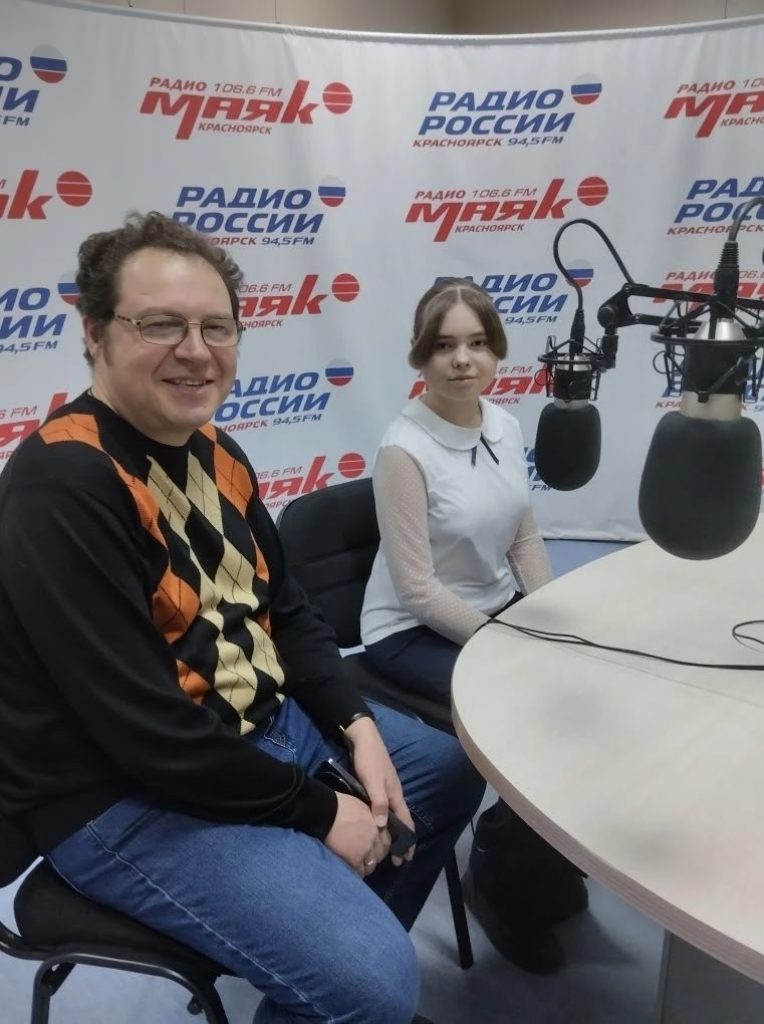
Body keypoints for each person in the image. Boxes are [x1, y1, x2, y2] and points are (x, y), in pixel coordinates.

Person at [0, 216, 485, 1024]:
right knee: (374, 984)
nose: (196, 351)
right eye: (161, 324)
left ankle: (323, 992)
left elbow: (286, 611)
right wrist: (322, 811)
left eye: (215, 327)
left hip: (254, 730)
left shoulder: (214, 448)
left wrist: (359, 726)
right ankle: (350, 992)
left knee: (445, 769)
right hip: (122, 793)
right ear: (94, 334)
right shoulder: (62, 486)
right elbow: (147, 733)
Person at [361, 278, 588, 973]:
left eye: (477, 343)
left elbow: (523, 536)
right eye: (444, 346)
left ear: (496, 351)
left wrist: (551, 620)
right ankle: (498, 884)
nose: (463, 359)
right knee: (530, 713)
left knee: (585, 689)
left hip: (491, 612)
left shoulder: (504, 424)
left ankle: (510, 839)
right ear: (421, 357)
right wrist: (508, 643)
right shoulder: (403, 450)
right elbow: (418, 590)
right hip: (409, 629)